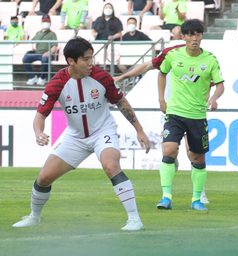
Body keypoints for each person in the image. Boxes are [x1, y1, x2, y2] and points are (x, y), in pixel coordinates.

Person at [12, 37, 151, 231]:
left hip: (103, 131)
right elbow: (40, 115)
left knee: (111, 165)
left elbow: (122, 103)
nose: (90, 62)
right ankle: (34, 217)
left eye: (91, 58)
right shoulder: (56, 83)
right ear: (71, 61)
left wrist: (140, 130)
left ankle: (135, 220)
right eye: (85, 59)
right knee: (44, 178)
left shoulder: (102, 77)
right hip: (75, 137)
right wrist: (38, 133)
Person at [114, 42, 212, 206]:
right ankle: (168, 191)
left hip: (193, 111)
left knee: (193, 152)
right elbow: (147, 66)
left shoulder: (202, 56)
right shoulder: (170, 53)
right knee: (169, 149)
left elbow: (209, 82)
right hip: (170, 109)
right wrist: (123, 77)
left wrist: (206, 100)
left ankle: (200, 193)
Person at [156, 19, 224, 211]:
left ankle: (196, 200)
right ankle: (166, 197)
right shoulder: (173, 55)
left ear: (202, 36)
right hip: (175, 113)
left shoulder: (210, 59)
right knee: (169, 150)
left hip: (197, 115)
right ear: (183, 36)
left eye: (198, 34)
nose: (194, 38)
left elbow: (220, 84)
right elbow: (161, 73)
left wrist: (214, 98)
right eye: (190, 34)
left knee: (198, 158)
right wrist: (161, 99)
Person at [24, 15, 58, 86]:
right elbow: (31, 41)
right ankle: (32, 77)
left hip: (46, 54)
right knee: (25, 58)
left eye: (47, 22)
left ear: (50, 23)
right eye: (44, 21)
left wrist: (48, 53)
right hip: (37, 53)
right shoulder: (37, 33)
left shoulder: (52, 34)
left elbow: (54, 46)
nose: (46, 23)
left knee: (45, 59)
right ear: (41, 22)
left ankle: (42, 78)